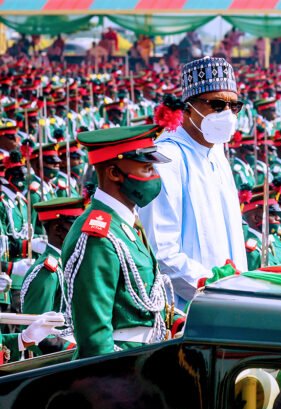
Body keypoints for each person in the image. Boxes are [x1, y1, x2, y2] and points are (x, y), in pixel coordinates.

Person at [62, 124, 179, 359]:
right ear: (114, 173)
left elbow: (143, 302)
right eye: (147, 168)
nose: (155, 177)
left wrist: (177, 321)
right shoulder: (98, 235)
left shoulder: (125, 222)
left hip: (142, 356)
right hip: (121, 364)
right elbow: (95, 340)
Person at [139, 57, 247, 307]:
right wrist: (213, 289)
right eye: (217, 105)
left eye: (234, 106)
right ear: (187, 108)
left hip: (232, 297)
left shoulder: (217, 151)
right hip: (190, 307)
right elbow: (162, 252)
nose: (227, 114)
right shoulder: (166, 158)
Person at [20, 196, 85, 351]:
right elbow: (35, 334)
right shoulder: (47, 273)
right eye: (76, 226)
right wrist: (77, 350)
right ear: (58, 230)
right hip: (61, 359)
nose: (82, 232)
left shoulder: (67, 262)